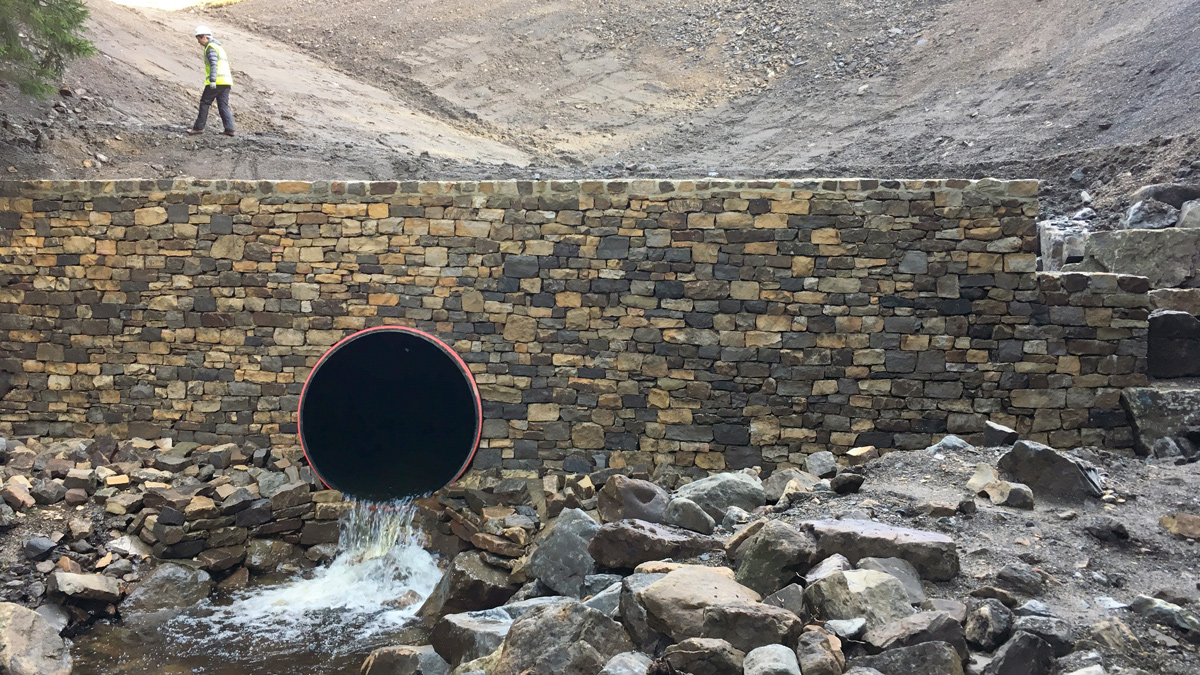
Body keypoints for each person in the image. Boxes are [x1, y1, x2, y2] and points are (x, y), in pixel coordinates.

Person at [187, 26, 235, 136]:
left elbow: (214, 64)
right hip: (226, 81)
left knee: (205, 103)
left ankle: (199, 127)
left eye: (198, 39)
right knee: (223, 105)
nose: (198, 42)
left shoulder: (211, 48)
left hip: (216, 81)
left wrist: (213, 80)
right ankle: (230, 129)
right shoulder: (219, 47)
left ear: (204, 37)